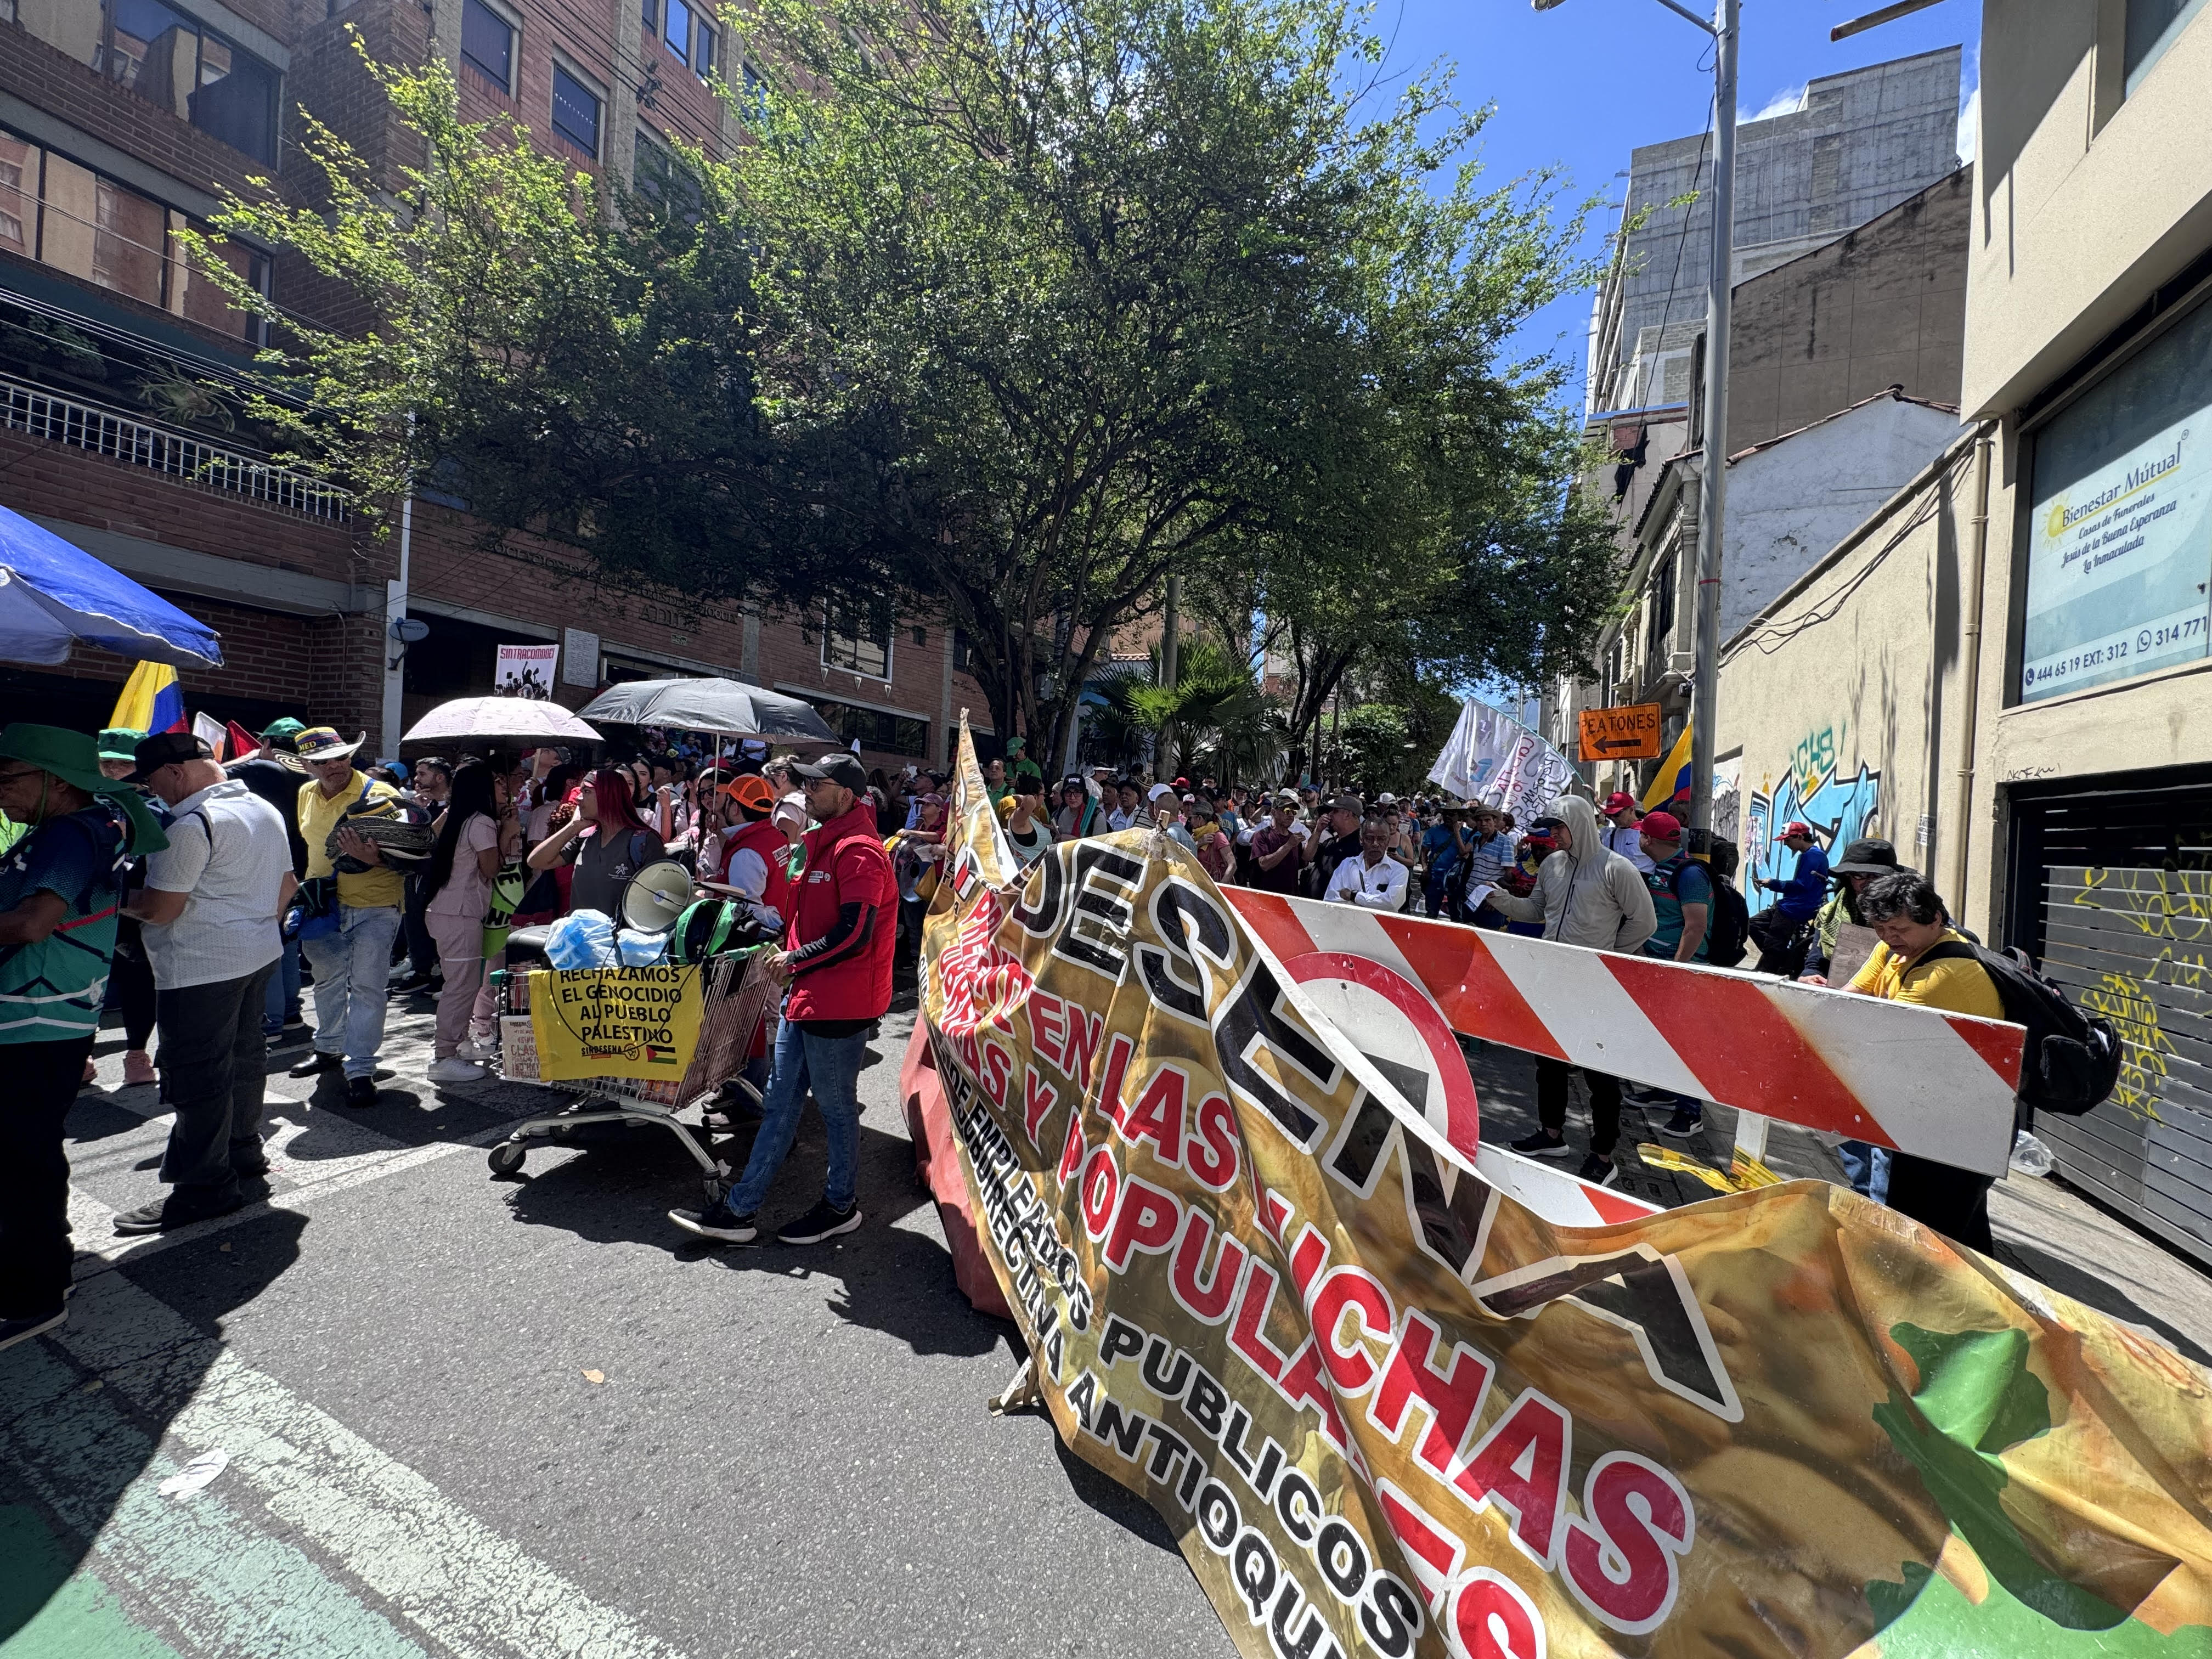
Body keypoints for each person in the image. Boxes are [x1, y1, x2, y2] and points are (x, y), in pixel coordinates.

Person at [669, 752, 895, 1246]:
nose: (807, 791)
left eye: (819, 785)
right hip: (807, 996)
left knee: (836, 1112)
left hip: (841, 1004)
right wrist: (786, 949)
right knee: (779, 1106)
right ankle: (740, 1209)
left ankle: (840, 1205)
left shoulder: (859, 851)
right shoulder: (817, 844)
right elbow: (807, 921)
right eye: (807, 783)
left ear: (847, 796)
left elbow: (855, 932)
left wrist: (794, 960)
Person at [0, 726, 169, 1350]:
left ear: (54, 780)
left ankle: (34, 1294)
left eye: (9, 779)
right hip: (45, 1011)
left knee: (23, 1157)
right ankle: (45, 1266)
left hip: (38, 1013)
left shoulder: (71, 832)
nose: (1, 793)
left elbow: (34, 922)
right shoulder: (80, 827)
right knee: (27, 1153)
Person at [115, 731, 294, 1232]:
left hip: (199, 967)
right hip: (258, 953)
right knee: (244, 1057)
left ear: (174, 773)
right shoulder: (262, 807)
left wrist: (117, 900)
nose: (153, 792)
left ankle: (203, 1187)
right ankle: (242, 1152)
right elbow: (288, 886)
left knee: (198, 1075)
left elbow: (159, 908)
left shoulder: (191, 824)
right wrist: (254, 926)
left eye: (151, 780)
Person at [1481, 795, 1657, 1186]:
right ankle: (1552, 1134)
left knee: (1600, 1074)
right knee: (1549, 1062)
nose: (1553, 835)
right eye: (1552, 828)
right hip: (1555, 979)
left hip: (1595, 985)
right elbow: (1537, 911)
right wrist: (1502, 900)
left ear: (1579, 825)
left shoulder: (1618, 869)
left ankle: (1603, 1154)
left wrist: (1607, 955)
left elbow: (1644, 922)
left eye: (1559, 828)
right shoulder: (1553, 866)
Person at [1845, 871, 2005, 1251]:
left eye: (1899, 928)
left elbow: (1871, 1030)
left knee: (1920, 1233)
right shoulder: (1897, 949)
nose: (1888, 937)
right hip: (1928, 1105)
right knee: (1958, 1231)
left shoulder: (1944, 973)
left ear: (1936, 919)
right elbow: (1850, 998)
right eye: (1880, 928)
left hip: (1958, 1122)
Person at [290, 727, 409, 1107]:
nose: (333, 766)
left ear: (350, 756)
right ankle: (328, 1049)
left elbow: (409, 856)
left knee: (367, 988)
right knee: (325, 982)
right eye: (322, 762)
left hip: (374, 904)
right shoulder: (305, 793)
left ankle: (360, 1069)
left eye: (339, 757)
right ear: (307, 765)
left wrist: (374, 858)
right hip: (322, 905)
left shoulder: (381, 795)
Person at [417, 759, 504, 1085]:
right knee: (461, 987)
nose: (504, 789)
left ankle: (459, 1043)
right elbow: (491, 869)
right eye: (496, 782)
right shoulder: (480, 822)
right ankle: (445, 1056)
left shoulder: (453, 817)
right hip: (460, 914)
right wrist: (507, 831)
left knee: (461, 984)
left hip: (444, 910)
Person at [1629, 810, 1712, 1141]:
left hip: (1683, 970)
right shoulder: (1664, 868)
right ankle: (1666, 1091)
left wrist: (1677, 968)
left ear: (1647, 839)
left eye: (1641, 835)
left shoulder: (1689, 874)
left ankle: (1691, 1113)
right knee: (1663, 1037)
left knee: (1686, 1042)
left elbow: (1695, 927)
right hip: (1660, 965)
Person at [228, 720, 311, 1040]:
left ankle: (271, 1021)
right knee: (288, 941)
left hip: (269, 867)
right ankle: (290, 1012)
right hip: (302, 868)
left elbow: (212, 773)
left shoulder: (260, 769)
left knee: (269, 941)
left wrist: (246, 756)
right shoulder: (310, 776)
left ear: (266, 745)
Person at [95, 727, 157, 1085]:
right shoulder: (86, 801)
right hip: (87, 910)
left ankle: (137, 1055)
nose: (113, 770)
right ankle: (82, 1058)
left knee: (138, 984)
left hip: (135, 911)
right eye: (107, 763)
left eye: (122, 763)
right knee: (89, 986)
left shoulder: (159, 806)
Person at [526, 767, 666, 919]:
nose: (579, 798)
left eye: (586, 792)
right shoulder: (586, 837)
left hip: (619, 939)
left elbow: (658, 904)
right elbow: (536, 861)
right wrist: (574, 826)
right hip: (579, 937)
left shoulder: (644, 842)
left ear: (608, 796)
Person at [718, 774, 795, 934]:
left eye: (727, 801)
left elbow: (745, 910)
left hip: (762, 934)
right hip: (782, 923)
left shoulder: (746, 854)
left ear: (735, 809)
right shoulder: (776, 836)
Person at [1752, 821, 1830, 974]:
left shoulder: (1813, 856)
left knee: (1773, 946)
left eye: (1788, 841)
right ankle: (1786, 959)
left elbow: (1801, 886)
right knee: (1754, 924)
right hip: (1790, 905)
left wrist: (1773, 883)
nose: (1786, 845)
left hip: (1795, 908)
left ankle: (1775, 965)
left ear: (1800, 837)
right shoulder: (1810, 855)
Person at [1325, 818, 1409, 911]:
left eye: (1382, 839)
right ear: (1361, 840)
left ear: (1388, 842)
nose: (1375, 844)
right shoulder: (1347, 865)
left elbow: (1392, 903)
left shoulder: (1399, 871)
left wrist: (1353, 896)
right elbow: (1331, 901)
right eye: (1370, 839)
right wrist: (1377, 902)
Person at [1304, 794, 1364, 899]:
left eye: (1335, 811)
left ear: (1347, 814)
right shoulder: (1331, 842)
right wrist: (1318, 831)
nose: (1330, 814)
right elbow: (1307, 856)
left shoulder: (1361, 846)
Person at [1248, 794, 1307, 894]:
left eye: (1294, 812)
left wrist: (1317, 832)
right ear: (1274, 813)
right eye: (1287, 811)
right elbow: (1264, 865)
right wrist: (1288, 846)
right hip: (1267, 898)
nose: (1291, 815)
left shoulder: (1294, 839)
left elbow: (1302, 863)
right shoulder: (1262, 835)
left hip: (1291, 899)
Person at [1005, 774, 1056, 867]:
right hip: (1023, 874)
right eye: (1043, 794)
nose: (1044, 798)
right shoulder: (1018, 816)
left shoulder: (1030, 816)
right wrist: (1022, 797)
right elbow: (1030, 800)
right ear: (1035, 796)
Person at [1600, 791, 1655, 874]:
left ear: (1631, 810)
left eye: (1617, 814)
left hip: (1642, 882)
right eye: (1609, 815)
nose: (1613, 818)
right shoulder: (1608, 835)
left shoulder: (1650, 830)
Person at [1188, 802, 1237, 884]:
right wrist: (1199, 843)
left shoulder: (1218, 836)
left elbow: (1232, 864)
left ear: (1200, 818)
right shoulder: (1195, 836)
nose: (1190, 821)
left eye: (1191, 818)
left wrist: (1221, 886)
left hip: (1215, 887)